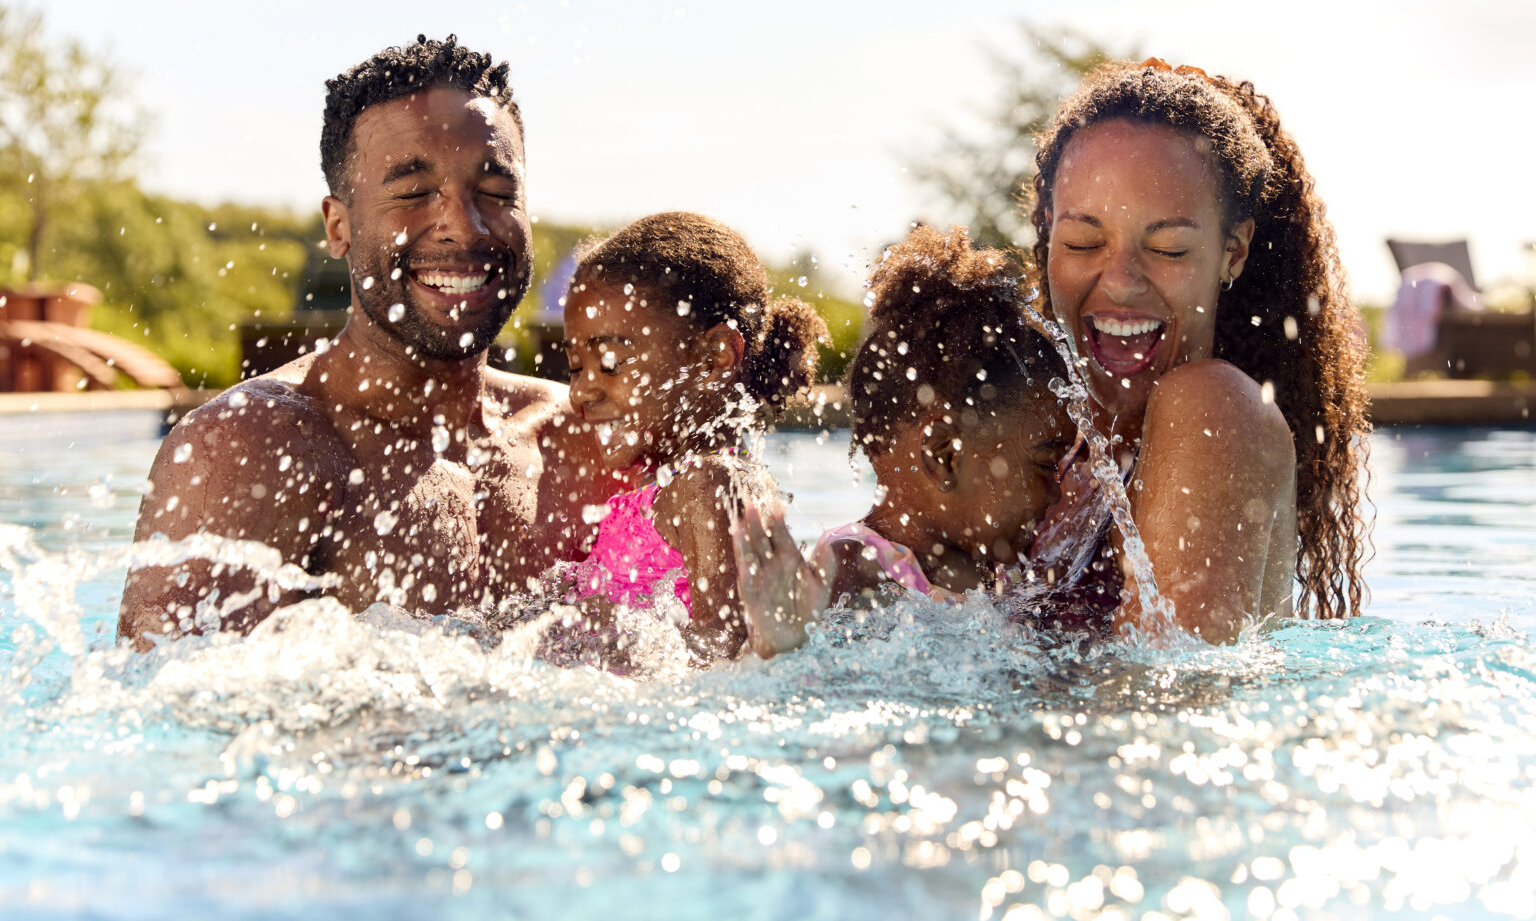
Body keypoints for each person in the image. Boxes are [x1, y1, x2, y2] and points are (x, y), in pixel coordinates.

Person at [117, 36, 616, 650]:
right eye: (411, 192)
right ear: (338, 225)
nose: (463, 224)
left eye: (495, 192)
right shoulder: (253, 448)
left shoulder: (583, 436)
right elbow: (170, 720)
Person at [1025, 59, 1371, 642]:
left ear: (1232, 252)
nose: (1120, 281)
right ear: (1047, 234)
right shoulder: (1057, 446)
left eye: (1168, 248)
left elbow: (1165, 702)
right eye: (1084, 241)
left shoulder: (1212, 408)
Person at [733, 225, 1073, 657]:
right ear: (944, 456)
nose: (1058, 491)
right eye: (1046, 464)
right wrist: (781, 648)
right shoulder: (853, 568)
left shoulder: (997, 572)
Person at [559, 211, 828, 663]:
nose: (580, 390)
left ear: (714, 357)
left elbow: (722, 652)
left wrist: (588, 652)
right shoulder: (686, 484)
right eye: (574, 367)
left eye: (609, 363)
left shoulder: (710, 484)